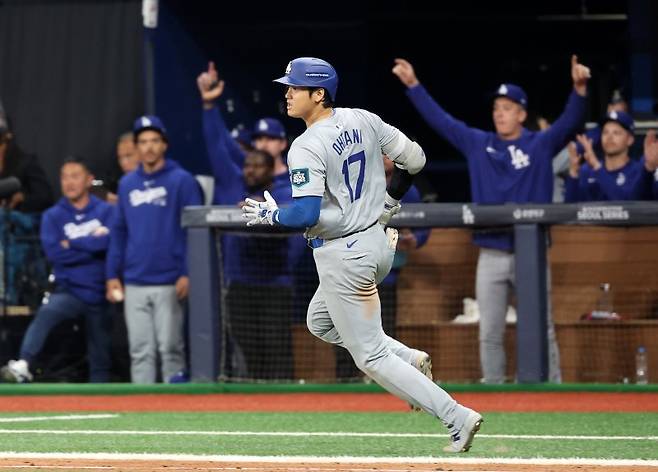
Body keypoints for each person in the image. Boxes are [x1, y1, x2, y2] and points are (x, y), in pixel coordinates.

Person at [243, 57, 482, 453]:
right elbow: (417, 160)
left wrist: (271, 213)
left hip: (344, 255)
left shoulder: (305, 145)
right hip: (378, 243)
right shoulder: (364, 118)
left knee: (369, 357)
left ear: (318, 94)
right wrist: (390, 201)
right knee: (320, 322)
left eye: (295, 87)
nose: (287, 93)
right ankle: (407, 356)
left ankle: (456, 416)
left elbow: (305, 213)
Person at [392, 55, 591, 384]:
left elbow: (569, 123)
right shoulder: (479, 144)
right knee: (490, 331)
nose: (500, 112)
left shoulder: (539, 144)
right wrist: (414, 86)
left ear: (522, 114)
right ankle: (495, 393)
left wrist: (580, 90)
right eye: (497, 107)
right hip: (491, 250)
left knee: (541, 327)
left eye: (508, 107)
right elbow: (442, 121)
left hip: (532, 252)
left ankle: (554, 391)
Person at [106, 115, 203, 384]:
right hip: (135, 279)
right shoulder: (127, 184)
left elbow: (194, 232)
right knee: (139, 351)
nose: (148, 147)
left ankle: (176, 409)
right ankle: (141, 409)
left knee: (170, 349)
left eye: (154, 141)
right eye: (143, 142)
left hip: (169, 280)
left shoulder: (182, 180)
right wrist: (112, 274)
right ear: (136, 147)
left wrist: (187, 272)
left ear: (164, 144)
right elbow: (119, 231)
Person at [0, 158, 114, 383]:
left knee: (100, 355)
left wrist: (72, 243)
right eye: (64, 177)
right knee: (46, 314)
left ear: (89, 180)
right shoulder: (53, 215)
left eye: (75, 176)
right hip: (68, 289)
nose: (69, 182)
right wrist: (91, 245)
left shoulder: (105, 211)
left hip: (100, 291)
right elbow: (54, 253)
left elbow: (110, 245)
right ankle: (23, 363)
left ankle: (103, 406)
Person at [197, 62, 290, 199]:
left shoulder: (294, 177)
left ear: (283, 143)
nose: (263, 144)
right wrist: (209, 105)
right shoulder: (243, 172)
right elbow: (220, 140)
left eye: (270, 138)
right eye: (258, 139)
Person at [565, 111, 644, 202]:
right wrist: (573, 172)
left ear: (630, 140)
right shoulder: (587, 170)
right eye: (605, 132)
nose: (609, 137)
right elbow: (570, 211)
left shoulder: (638, 171)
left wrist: (597, 167)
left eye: (616, 133)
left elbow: (626, 206)